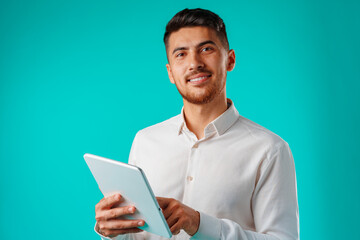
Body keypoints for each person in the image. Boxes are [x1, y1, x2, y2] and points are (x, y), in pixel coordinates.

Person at [94, 8, 299, 240]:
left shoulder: (270, 150)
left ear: (229, 59)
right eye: (181, 54)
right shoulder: (145, 141)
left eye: (206, 49)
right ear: (170, 73)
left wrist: (199, 223)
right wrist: (112, 230)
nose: (194, 63)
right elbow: (137, 234)